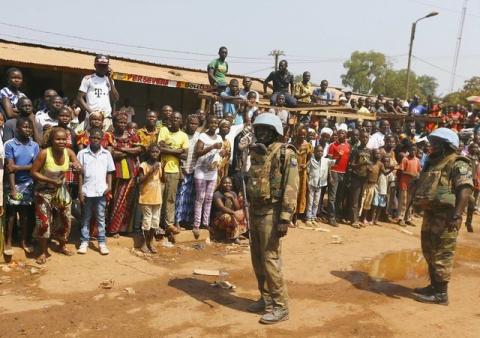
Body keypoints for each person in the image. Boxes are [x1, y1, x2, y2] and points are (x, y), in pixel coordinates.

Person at [246, 113, 298, 324]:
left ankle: (280, 306)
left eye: (265, 130)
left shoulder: (286, 153)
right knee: (257, 259)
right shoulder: (259, 152)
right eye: (258, 129)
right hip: (255, 210)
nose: (260, 133)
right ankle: (266, 298)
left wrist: (285, 217)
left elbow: (291, 186)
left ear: (275, 132)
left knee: (270, 259)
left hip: (272, 212)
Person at [411, 128, 473, 305]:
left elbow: (465, 189)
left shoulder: (458, 163)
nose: (432, 146)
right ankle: (433, 287)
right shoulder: (433, 162)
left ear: (447, 146)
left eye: (436, 143)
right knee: (429, 249)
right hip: (431, 213)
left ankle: (441, 294)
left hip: (447, 216)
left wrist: (457, 215)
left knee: (443, 252)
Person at [31, 127, 82, 264]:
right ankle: (42, 251)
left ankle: (61, 245)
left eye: (64, 139)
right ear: (51, 140)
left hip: (60, 190)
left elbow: (79, 166)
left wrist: (78, 166)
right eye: (58, 139)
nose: (61, 141)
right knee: (43, 221)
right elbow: (33, 172)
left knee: (65, 218)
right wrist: (51, 181)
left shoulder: (69, 152)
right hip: (43, 190)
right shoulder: (44, 154)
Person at [4, 117, 39, 257]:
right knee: (11, 215)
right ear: (17, 129)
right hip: (13, 183)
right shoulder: (10, 145)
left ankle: (24, 241)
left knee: (25, 215)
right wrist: (12, 189)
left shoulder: (34, 145)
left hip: (28, 184)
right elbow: (9, 169)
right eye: (25, 127)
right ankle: (8, 242)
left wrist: (18, 167)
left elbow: (35, 166)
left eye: (30, 127)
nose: (28, 130)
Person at [77, 128, 115, 255]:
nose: (95, 140)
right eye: (93, 137)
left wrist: (109, 186)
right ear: (89, 138)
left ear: (102, 139)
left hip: (101, 191)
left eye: (98, 138)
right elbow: (80, 174)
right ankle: (84, 242)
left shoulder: (106, 154)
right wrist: (80, 190)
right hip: (87, 191)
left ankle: (102, 243)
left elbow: (110, 171)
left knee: (100, 218)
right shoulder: (82, 153)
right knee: (86, 217)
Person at [107, 113, 142, 236]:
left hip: (131, 172)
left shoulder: (132, 135)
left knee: (128, 201)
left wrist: (121, 149)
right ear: (114, 123)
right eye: (119, 122)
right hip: (116, 173)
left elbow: (138, 150)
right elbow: (111, 154)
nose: (122, 124)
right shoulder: (109, 136)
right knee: (116, 201)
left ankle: (126, 228)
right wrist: (129, 152)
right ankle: (113, 229)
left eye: (124, 122)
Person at [158, 111, 188, 235]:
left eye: (178, 118)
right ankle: (156, 225)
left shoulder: (183, 136)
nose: (175, 120)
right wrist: (177, 150)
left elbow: (185, 155)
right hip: (161, 170)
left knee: (170, 199)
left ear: (181, 121)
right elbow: (159, 148)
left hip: (174, 171)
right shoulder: (164, 130)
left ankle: (168, 224)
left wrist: (168, 149)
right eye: (173, 118)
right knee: (158, 199)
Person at [193, 115, 223, 239]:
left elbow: (220, 151)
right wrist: (211, 147)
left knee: (209, 199)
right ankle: (196, 224)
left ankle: (205, 223)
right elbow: (198, 153)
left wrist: (222, 152)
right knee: (200, 198)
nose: (214, 125)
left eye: (216, 123)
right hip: (201, 171)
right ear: (208, 123)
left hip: (212, 171)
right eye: (212, 123)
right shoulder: (203, 136)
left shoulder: (219, 137)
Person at [77, 54, 119, 131]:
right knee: (89, 140)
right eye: (100, 65)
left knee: (106, 141)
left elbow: (115, 98)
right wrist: (91, 112)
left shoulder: (110, 80)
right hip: (92, 117)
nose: (103, 68)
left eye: (105, 66)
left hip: (106, 118)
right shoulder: (88, 79)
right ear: (95, 65)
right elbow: (79, 98)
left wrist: (110, 79)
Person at [175, 114, 200, 229]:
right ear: (186, 123)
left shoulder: (198, 137)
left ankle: (186, 220)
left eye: (195, 124)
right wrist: (182, 167)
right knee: (180, 196)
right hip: (182, 169)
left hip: (193, 169)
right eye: (191, 123)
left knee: (190, 197)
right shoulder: (181, 135)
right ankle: (177, 221)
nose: (193, 126)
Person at [138, 144, 163, 253]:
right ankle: (144, 243)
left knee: (155, 221)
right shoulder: (143, 165)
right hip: (146, 197)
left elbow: (163, 180)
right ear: (149, 152)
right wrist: (150, 171)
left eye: (157, 152)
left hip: (157, 198)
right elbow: (140, 180)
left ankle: (150, 241)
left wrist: (164, 170)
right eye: (153, 152)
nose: (155, 154)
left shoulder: (160, 165)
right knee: (147, 221)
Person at [327, 124, 351, 226]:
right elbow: (328, 161)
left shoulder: (348, 146)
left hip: (343, 173)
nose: (342, 134)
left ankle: (336, 215)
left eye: (344, 132)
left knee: (339, 196)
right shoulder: (332, 145)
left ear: (346, 134)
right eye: (340, 132)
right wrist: (337, 158)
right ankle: (331, 217)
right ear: (337, 133)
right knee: (332, 196)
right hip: (334, 172)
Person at [305, 145, 335, 226]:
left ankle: (313, 217)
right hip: (312, 184)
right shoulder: (311, 160)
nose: (320, 152)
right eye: (318, 151)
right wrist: (307, 182)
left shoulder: (326, 161)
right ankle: (308, 218)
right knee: (310, 202)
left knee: (316, 202)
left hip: (320, 185)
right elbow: (307, 171)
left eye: (321, 151)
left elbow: (335, 162)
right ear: (314, 152)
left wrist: (340, 156)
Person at [211, 176, 246, 243]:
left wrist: (233, 198)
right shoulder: (217, 194)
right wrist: (234, 213)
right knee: (227, 217)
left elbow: (238, 208)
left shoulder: (233, 193)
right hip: (218, 219)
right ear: (221, 184)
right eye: (225, 183)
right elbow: (221, 208)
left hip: (232, 215)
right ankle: (233, 237)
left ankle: (239, 233)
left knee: (244, 213)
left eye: (229, 183)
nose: (228, 184)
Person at [349, 131, 371, 228]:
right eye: (363, 137)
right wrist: (362, 164)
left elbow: (370, 164)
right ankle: (354, 220)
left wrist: (369, 168)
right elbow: (352, 165)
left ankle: (356, 218)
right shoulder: (356, 150)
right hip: (356, 177)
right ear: (360, 138)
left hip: (364, 178)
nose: (365, 139)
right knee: (355, 199)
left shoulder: (369, 151)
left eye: (366, 137)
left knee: (360, 199)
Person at [397, 145, 421, 226]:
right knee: (403, 202)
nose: (413, 151)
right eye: (412, 150)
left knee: (410, 202)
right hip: (404, 183)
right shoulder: (405, 159)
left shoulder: (417, 160)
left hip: (413, 184)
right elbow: (401, 171)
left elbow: (418, 171)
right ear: (409, 150)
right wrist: (411, 174)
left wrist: (417, 176)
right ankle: (400, 218)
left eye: (415, 150)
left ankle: (408, 218)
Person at [293, 127, 313, 222]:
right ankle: (290, 216)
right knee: (292, 193)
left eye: (304, 135)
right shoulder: (292, 144)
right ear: (297, 134)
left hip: (302, 173)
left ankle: (295, 217)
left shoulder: (307, 145)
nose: (302, 137)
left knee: (301, 193)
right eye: (300, 135)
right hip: (293, 172)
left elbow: (310, 157)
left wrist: (306, 164)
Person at [465, 142, 479, 232]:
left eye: (477, 148)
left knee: (472, 204)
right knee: (471, 201)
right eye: (474, 147)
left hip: (474, 181)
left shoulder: (477, 158)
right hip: (467, 181)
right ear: (469, 149)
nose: (476, 149)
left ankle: (468, 222)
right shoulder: (466, 158)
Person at [217, 119, 232, 184]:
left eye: (228, 128)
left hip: (221, 172)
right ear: (219, 127)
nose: (226, 129)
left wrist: (225, 175)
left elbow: (227, 161)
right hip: (211, 172)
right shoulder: (214, 138)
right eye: (224, 127)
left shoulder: (228, 143)